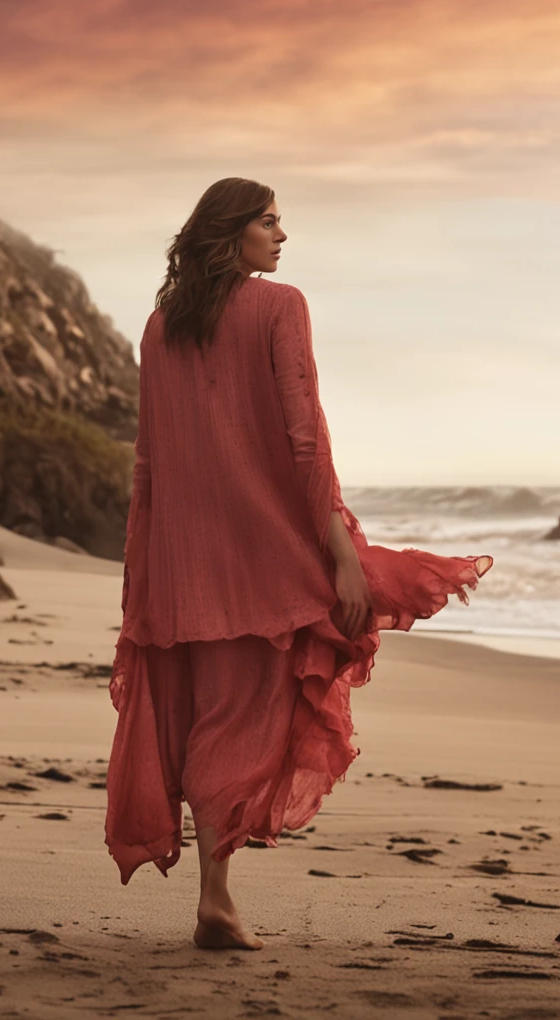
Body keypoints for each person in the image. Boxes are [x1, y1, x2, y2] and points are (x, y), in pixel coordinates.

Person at [104, 177, 493, 951]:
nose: (282, 237)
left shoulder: (158, 326)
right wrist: (342, 551)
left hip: (179, 560)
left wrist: (140, 569)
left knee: (203, 717)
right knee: (246, 714)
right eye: (269, 223)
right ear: (231, 233)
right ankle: (215, 899)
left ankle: (217, 897)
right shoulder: (281, 308)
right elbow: (304, 437)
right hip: (263, 554)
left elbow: (146, 464)